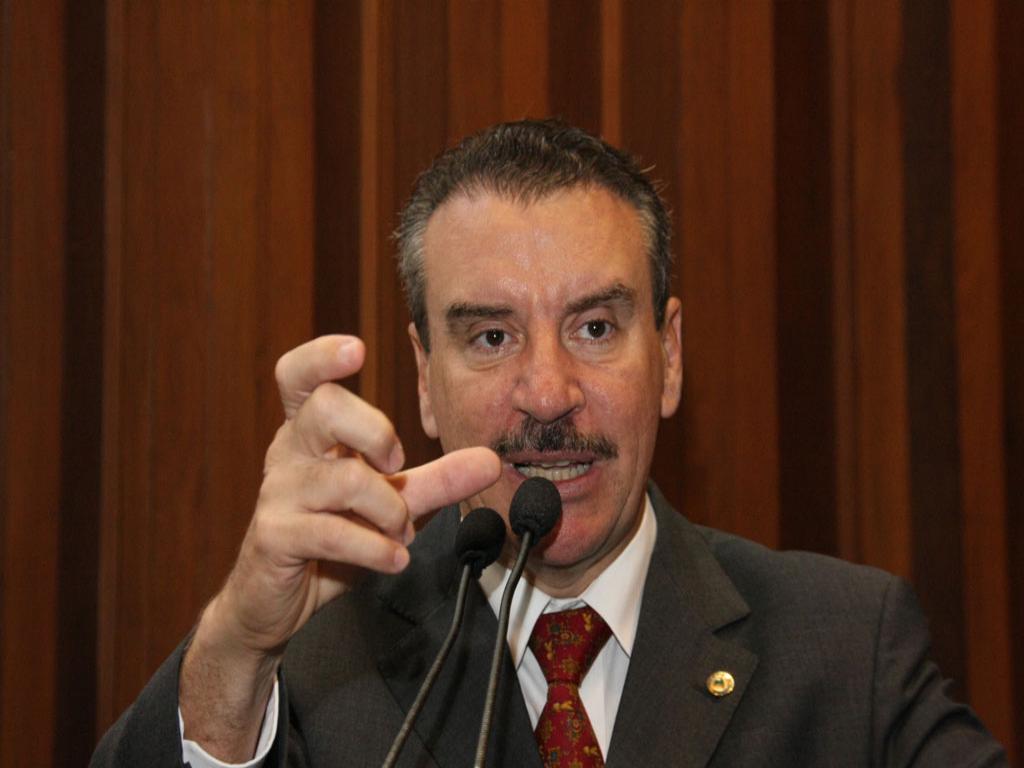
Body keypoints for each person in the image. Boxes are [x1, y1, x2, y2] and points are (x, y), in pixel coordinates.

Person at [91, 120, 1006, 767]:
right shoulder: (317, 662)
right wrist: (237, 649)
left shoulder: (848, 648)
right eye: (491, 337)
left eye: (595, 328)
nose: (548, 393)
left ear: (669, 357)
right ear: (424, 378)